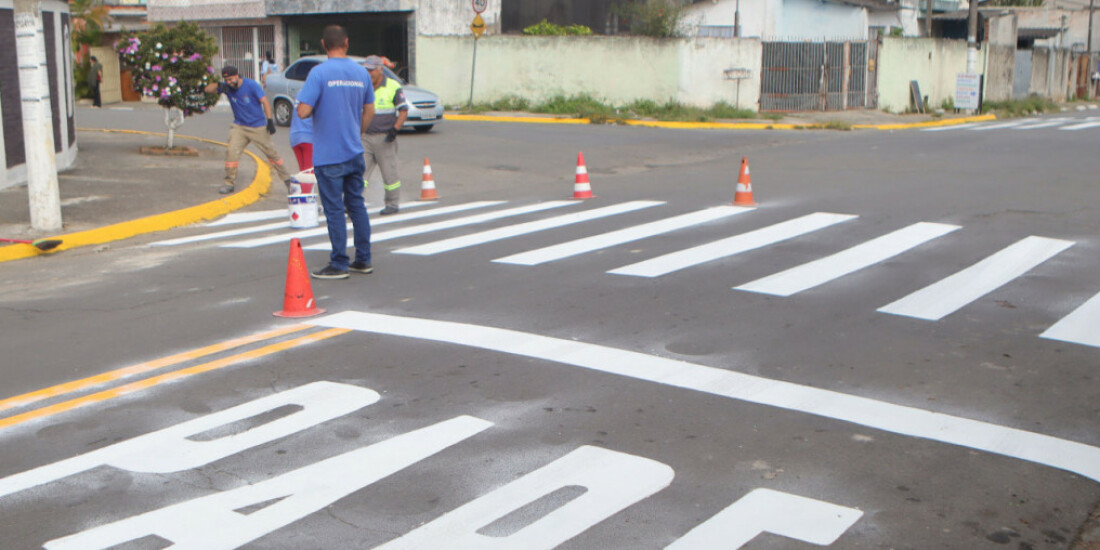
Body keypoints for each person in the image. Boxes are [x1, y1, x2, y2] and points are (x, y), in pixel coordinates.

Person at [296, 25, 376, 279]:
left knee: (333, 210)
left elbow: (302, 111)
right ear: (347, 43)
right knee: (356, 205)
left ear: (323, 44)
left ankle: (339, 263)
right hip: (354, 151)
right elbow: (369, 110)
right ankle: (363, 259)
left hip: (329, 155)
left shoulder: (318, 73)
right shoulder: (361, 73)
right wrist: (357, 132)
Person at [204, 65, 293, 195]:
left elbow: (265, 102)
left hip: (257, 126)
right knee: (231, 152)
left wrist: (269, 121)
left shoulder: (251, 85)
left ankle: (288, 181)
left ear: (237, 75)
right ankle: (229, 183)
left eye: (230, 79)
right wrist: (219, 84)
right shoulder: (227, 88)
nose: (229, 82)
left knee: (272, 154)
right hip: (239, 126)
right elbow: (207, 90)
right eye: (226, 80)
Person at [361, 55, 408, 216]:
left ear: (380, 69)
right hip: (365, 137)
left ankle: (392, 203)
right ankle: (354, 203)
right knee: (359, 172)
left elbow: (403, 110)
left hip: (385, 137)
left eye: (371, 70)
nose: (368, 73)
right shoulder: (363, 86)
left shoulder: (392, 86)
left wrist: (395, 129)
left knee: (389, 173)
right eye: (366, 70)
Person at [290, 99, 313, 171]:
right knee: (309, 172)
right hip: (308, 136)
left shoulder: (301, 93)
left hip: (294, 136)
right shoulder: (316, 93)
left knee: (303, 171)